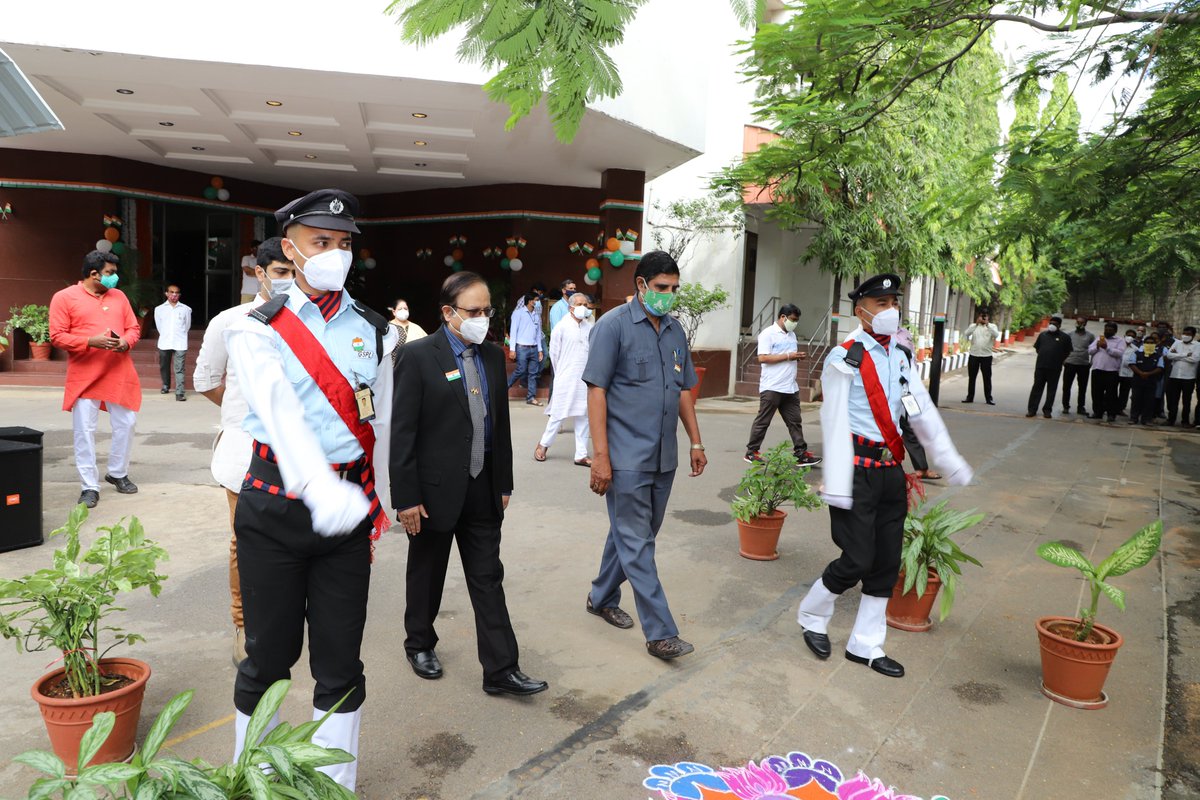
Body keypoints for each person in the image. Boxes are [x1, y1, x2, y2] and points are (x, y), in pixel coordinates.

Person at [224, 190, 397, 791]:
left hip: (347, 517)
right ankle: (255, 779)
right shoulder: (257, 329)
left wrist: (382, 501)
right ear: (290, 249)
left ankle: (331, 785)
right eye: (322, 242)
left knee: (341, 665)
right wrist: (320, 488)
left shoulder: (375, 330)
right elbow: (278, 415)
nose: (335, 254)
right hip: (276, 507)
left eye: (344, 244)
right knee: (268, 661)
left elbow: (381, 423)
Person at [797, 274, 972, 679]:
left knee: (886, 563)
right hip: (856, 473)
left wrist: (948, 460)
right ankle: (812, 615)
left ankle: (866, 645)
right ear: (861, 311)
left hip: (891, 472)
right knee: (856, 559)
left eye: (894, 301)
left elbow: (921, 411)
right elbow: (834, 422)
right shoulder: (845, 358)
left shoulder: (902, 356)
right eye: (881, 303)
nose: (890, 310)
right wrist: (836, 485)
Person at [390, 272, 548, 697]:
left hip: (482, 488)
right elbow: (402, 432)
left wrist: (504, 483)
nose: (482, 320)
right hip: (433, 491)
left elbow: (500, 426)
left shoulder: (493, 357)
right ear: (448, 312)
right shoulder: (419, 356)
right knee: (427, 573)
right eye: (473, 312)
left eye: (486, 311)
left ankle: (501, 669)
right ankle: (419, 643)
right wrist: (406, 497)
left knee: (488, 578)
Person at [582, 251, 707, 661]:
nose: (668, 296)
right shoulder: (612, 327)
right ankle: (660, 633)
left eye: (674, 289)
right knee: (637, 543)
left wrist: (695, 441)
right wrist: (600, 456)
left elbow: (684, 389)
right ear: (640, 285)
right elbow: (596, 391)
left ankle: (601, 596)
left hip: (663, 457)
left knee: (634, 534)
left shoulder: (673, 332)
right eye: (661, 288)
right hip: (625, 457)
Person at [192, 237, 294, 665]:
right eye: (282, 272)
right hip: (244, 454)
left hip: (300, 452)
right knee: (243, 541)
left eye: (295, 272)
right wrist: (244, 415)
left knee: (292, 539)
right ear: (260, 272)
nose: (290, 281)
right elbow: (206, 380)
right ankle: (244, 624)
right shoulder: (229, 321)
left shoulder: (313, 324)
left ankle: (285, 614)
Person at [49, 250, 143, 509]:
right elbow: (56, 336)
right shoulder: (64, 298)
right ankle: (89, 486)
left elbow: (133, 328)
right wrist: (90, 341)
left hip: (118, 370)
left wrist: (125, 342)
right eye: (110, 273)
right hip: (85, 375)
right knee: (85, 430)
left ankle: (117, 472)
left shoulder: (119, 297)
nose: (115, 278)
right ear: (94, 274)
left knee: (127, 422)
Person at [744, 304, 821, 466]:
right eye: (793, 320)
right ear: (782, 317)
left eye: (797, 321)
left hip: (790, 387)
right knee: (763, 421)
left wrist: (795, 357)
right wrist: (788, 356)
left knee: (795, 421)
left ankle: (800, 453)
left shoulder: (791, 335)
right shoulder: (768, 334)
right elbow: (763, 358)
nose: (794, 323)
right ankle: (752, 452)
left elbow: (788, 356)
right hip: (772, 386)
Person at [535, 292, 593, 465]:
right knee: (558, 413)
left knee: (583, 415)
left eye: (586, 304)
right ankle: (543, 444)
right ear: (571, 307)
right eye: (580, 304)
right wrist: (561, 374)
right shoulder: (562, 326)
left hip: (585, 377)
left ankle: (581, 454)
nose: (583, 307)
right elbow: (554, 354)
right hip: (566, 376)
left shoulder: (589, 326)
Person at [1025, 315, 1072, 418]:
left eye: (1054, 324)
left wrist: (1059, 360)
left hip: (1055, 368)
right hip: (1041, 367)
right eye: (1050, 323)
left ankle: (1047, 410)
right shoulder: (1043, 335)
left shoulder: (1065, 337)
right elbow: (1037, 349)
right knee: (1036, 388)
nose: (1051, 326)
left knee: (1051, 390)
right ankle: (1032, 410)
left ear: (1059, 325)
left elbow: (1068, 352)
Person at [153, 284, 192, 401]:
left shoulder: (186, 309)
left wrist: (180, 335)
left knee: (179, 367)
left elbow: (187, 326)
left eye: (176, 292)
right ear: (166, 294)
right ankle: (166, 384)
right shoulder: (159, 309)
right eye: (171, 292)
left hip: (180, 342)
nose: (174, 294)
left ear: (179, 295)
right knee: (164, 365)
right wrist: (166, 335)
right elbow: (159, 326)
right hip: (164, 342)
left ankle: (180, 392)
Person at [507, 288, 544, 406]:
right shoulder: (518, 313)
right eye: (536, 300)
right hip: (522, 347)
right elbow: (513, 331)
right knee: (520, 370)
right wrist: (512, 349)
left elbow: (538, 334)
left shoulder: (536, 315)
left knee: (533, 373)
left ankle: (531, 397)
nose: (538, 302)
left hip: (533, 348)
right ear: (530, 301)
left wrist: (540, 350)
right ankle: (504, 389)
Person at [1086, 322, 1126, 422]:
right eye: (1106, 329)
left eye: (1110, 330)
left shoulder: (1120, 340)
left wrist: (1107, 348)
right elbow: (1090, 351)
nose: (1107, 331)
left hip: (1111, 371)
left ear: (1115, 331)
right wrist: (1097, 346)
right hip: (1097, 369)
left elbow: (1120, 353)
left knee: (1111, 394)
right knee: (1096, 393)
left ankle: (1111, 414)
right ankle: (1097, 412)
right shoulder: (1099, 339)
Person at [961, 311, 1000, 405]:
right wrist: (976, 323)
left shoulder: (992, 326)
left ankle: (989, 399)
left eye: (985, 316)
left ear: (988, 317)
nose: (983, 318)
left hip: (986, 356)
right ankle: (970, 397)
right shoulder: (973, 326)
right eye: (981, 316)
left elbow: (996, 335)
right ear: (978, 316)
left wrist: (987, 325)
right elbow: (966, 333)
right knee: (972, 378)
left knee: (987, 378)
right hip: (974, 355)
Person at [1165, 326, 1199, 426]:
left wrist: (1177, 356)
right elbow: (1169, 355)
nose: (1185, 336)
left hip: (1189, 377)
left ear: (1193, 335)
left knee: (1186, 401)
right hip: (1175, 375)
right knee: (1173, 400)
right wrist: (1185, 355)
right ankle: (1171, 420)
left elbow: (1195, 359)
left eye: (1188, 334)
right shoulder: (1177, 343)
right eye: (1184, 333)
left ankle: (1185, 421)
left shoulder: (1198, 345)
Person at [1129, 333, 1164, 426]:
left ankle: (1146, 419)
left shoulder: (1158, 356)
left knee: (1149, 401)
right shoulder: (1137, 353)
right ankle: (1133, 418)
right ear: (1144, 344)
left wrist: (1148, 374)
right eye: (1147, 342)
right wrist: (1141, 373)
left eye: (1152, 343)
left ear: (1155, 344)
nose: (1149, 344)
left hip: (1151, 382)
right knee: (1136, 400)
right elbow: (1132, 364)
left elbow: (1160, 367)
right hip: (1137, 381)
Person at [1061, 316, 1095, 414]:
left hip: (1083, 365)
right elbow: (1064, 348)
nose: (1079, 324)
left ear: (1085, 324)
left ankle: (1081, 407)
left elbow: (1095, 350)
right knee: (1066, 386)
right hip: (1070, 363)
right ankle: (1066, 406)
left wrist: (1091, 362)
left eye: (1081, 322)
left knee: (1082, 387)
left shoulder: (1090, 336)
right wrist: (1063, 360)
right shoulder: (1070, 335)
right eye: (1077, 322)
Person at [387, 298, 428, 364]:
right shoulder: (388, 328)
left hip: (416, 366)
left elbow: (427, 345)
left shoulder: (416, 327)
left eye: (405, 309)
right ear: (394, 312)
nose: (403, 311)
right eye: (400, 309)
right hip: (395, 368)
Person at [1116, 328, 1137, 416]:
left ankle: (1120, 409)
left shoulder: (1135, 349)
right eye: (1128, 335)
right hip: (1116, 371)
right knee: (1112, 390)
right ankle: (1108, 406)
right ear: (1124, 336)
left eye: (1132, 336)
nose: (1130, 337)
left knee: (1124, 392)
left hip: (1128, 373)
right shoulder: (1117, 345)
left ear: (1134, 338)